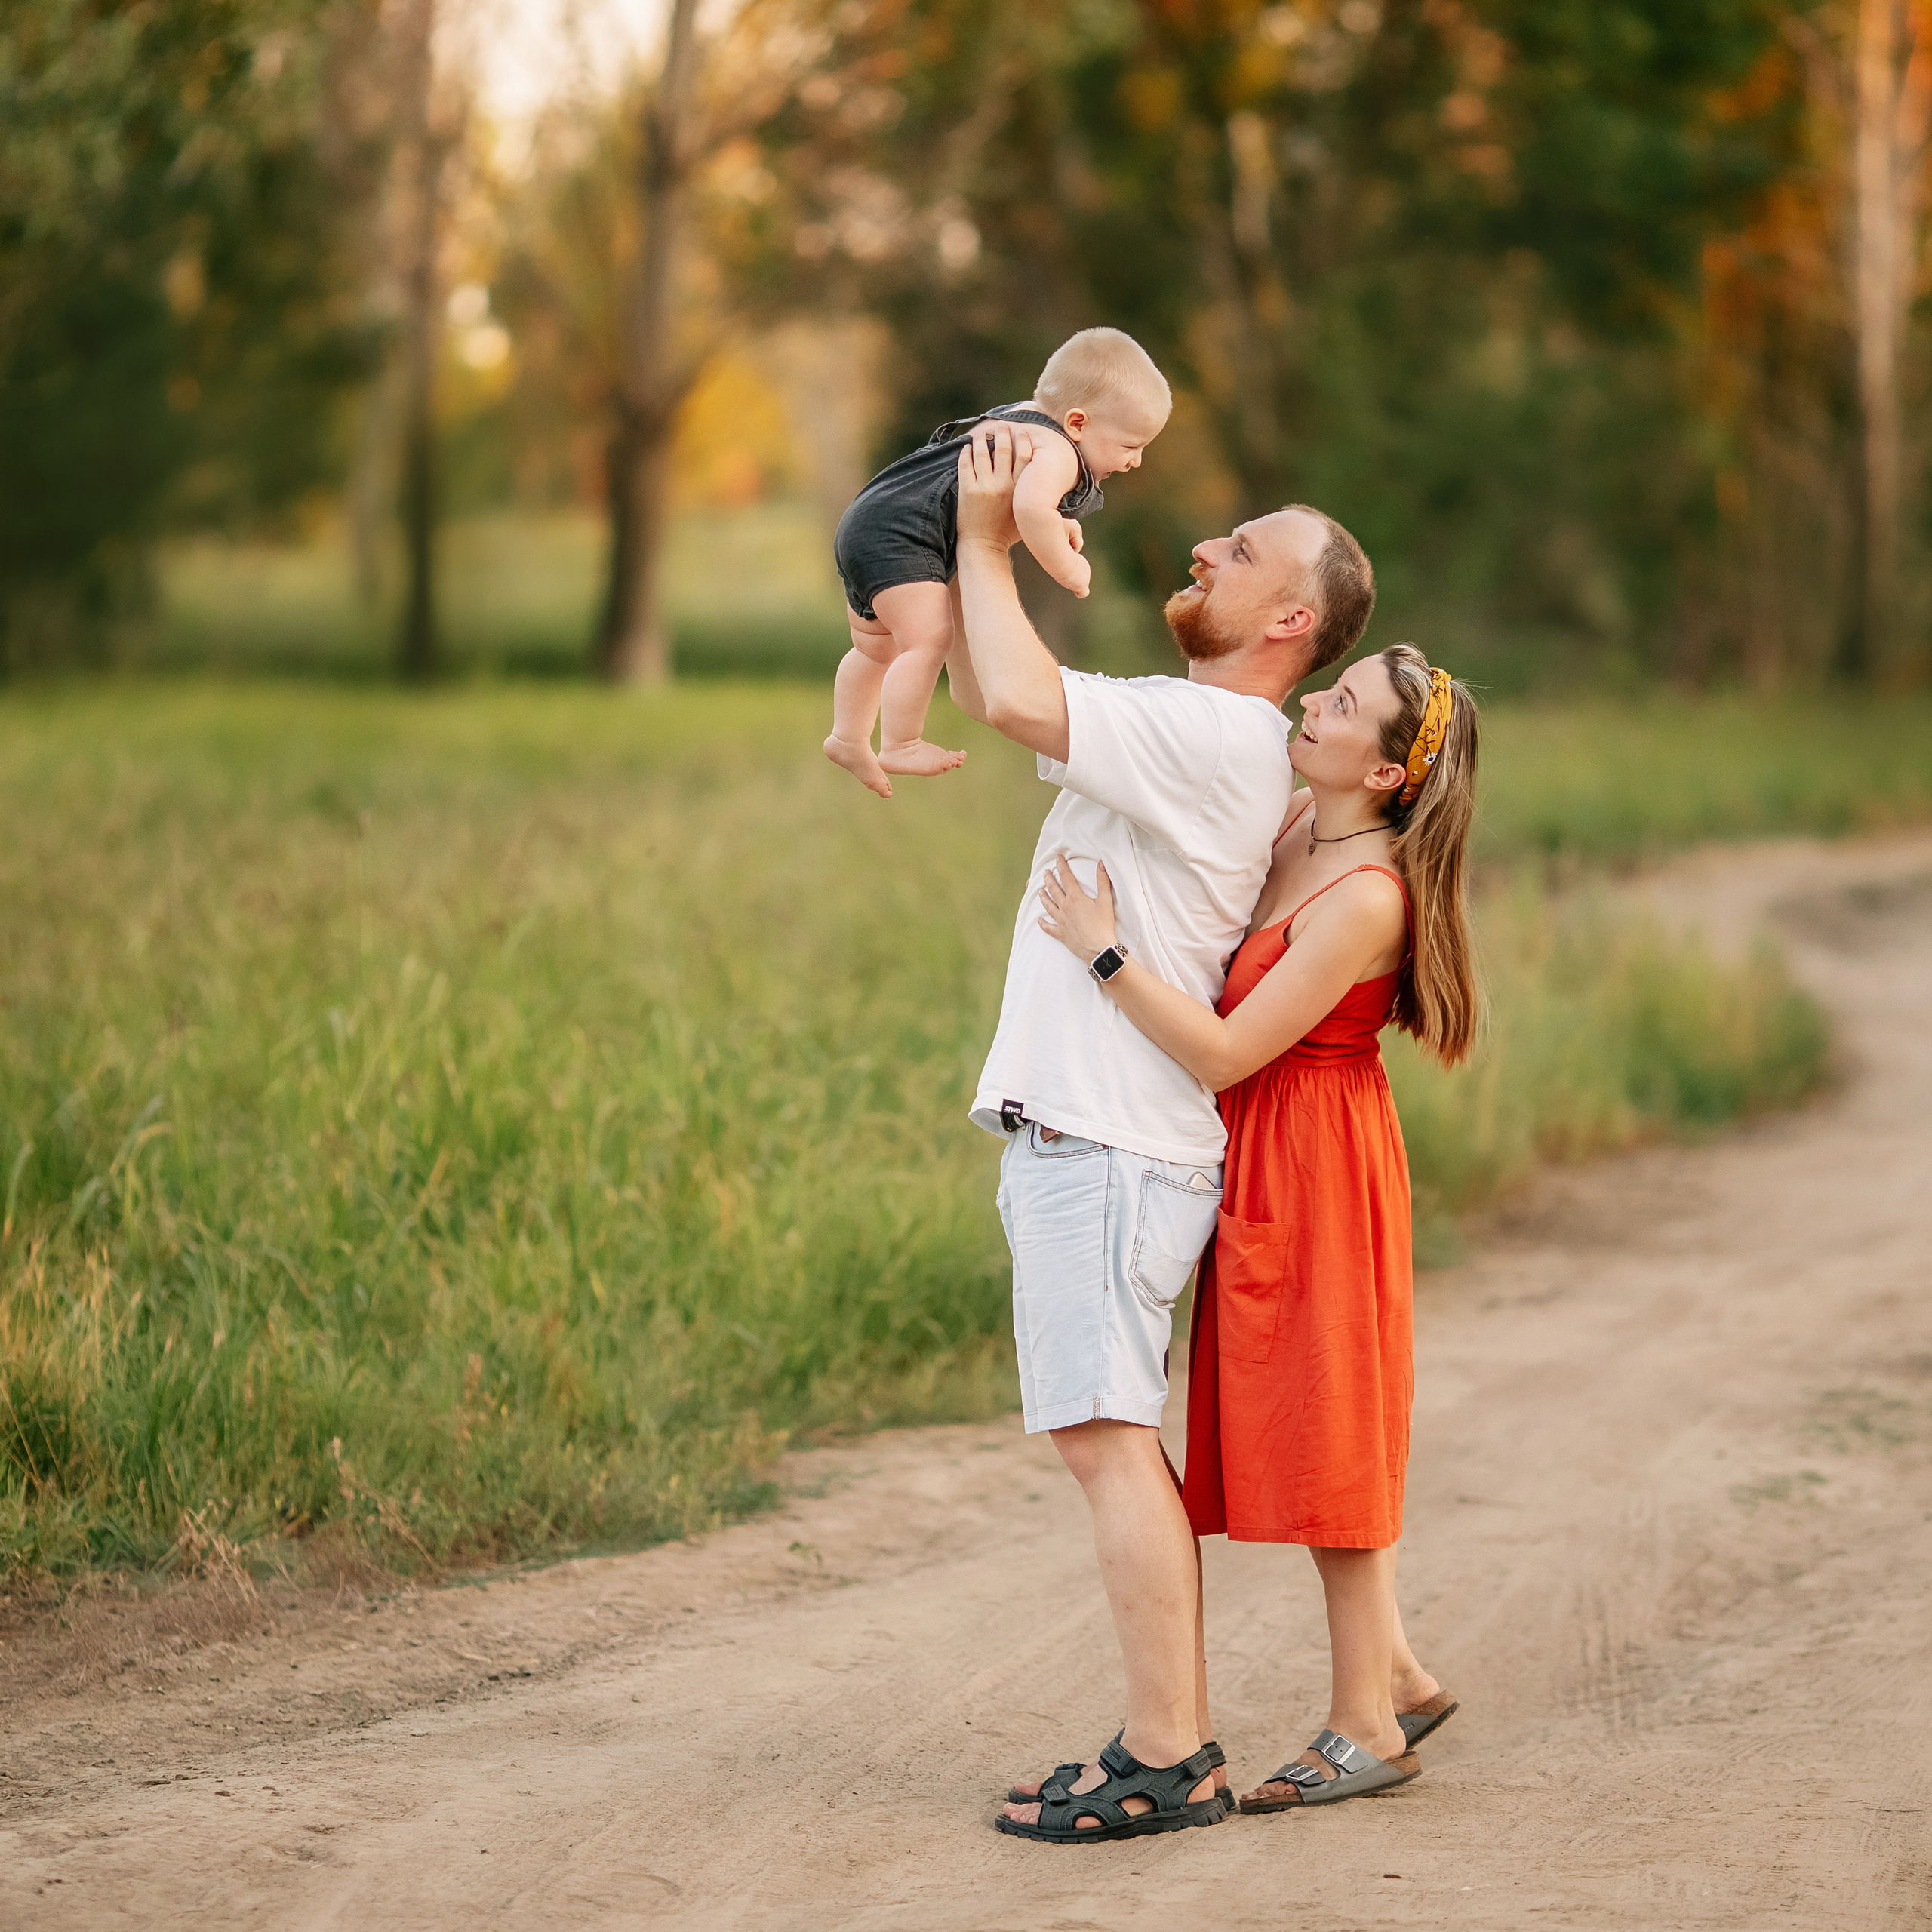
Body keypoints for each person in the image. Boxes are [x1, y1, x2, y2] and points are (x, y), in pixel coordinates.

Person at [945, 422, 1377, 1842]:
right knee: (1109, 1437)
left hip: (1109, 1141)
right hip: (1099, 1136)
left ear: (1292, 622)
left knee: (1108, 1441)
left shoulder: (1213, 732)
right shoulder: (1205, 733)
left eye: (1242, 549)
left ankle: (1168, 1751)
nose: (1207, 547)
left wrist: (988, 532)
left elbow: (1010, 696)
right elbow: (991, 675)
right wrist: (941, 568)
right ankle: (1166, 1740)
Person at [1032, 641, 1481, 1814]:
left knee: (1335, 1427)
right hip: (1261, 1153)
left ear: (1384, 774)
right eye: (1326, 688)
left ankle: (1367, 1723)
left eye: (1341, 707)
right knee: (1302, 1414)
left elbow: (1232, 1047)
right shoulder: (1297, 825)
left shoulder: (1369, 894)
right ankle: (1400, 1670)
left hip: (1320, 1157)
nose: (1311, 703)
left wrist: (1105, 952)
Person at [824, 327, 1171, 798]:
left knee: (874, 648)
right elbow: (1030, 509)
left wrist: (1056, 521)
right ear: (1078, 423)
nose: (1137, 461)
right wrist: (1069, 567)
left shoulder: (1017, 418)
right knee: (928, 640)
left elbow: (1030, 505)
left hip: (871, 518)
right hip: (908, 535)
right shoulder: (1062, 453)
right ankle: (900, 742)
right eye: (1131, 445)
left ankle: (847, 736)